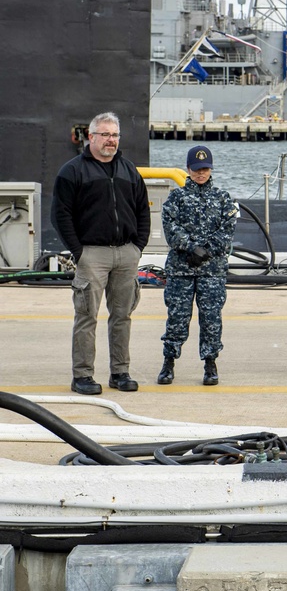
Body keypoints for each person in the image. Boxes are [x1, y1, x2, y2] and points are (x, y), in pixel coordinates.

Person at [51, 112, 150, 395]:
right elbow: (61, 215)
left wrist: (137, 247)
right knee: (87, 316)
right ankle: (82, 375)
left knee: (122, 316)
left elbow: (142, 209)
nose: (111, 140)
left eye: (115, 135)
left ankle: (120, 372)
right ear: (91, 137)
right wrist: (79, 252)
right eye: (105, 134)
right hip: (92, 254)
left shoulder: (129, 170)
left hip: (126, 253)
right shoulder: (73, 171)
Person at [157, 146, 238, 386]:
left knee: (211, 318)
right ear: (188, 169)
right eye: (196, 169)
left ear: (210, 170)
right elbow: (170, 227)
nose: (201, 173)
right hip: (181, 270)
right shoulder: (176, 197)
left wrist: (205, 252)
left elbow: (228, 230)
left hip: (211, 272)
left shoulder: (223, 198)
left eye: (205, 169)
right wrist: (191, 248)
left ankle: (210, 363)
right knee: (177, 318)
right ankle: (168, 362)